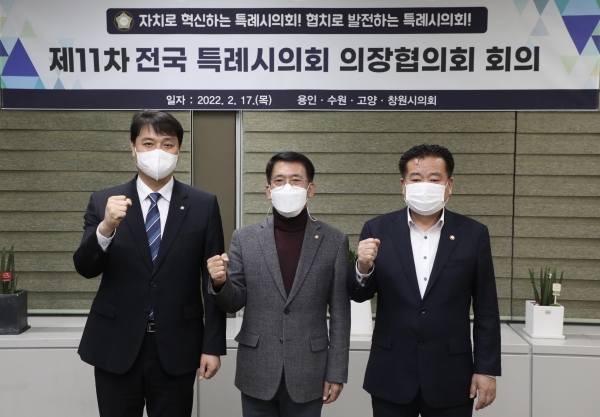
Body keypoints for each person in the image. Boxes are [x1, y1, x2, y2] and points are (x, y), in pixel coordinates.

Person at [73, 110, 226, 417]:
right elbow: (85, 268)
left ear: (179, 150)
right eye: (148, 143)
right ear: (133, 148)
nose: (158, 151)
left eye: (167, 144)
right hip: (115, 343)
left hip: (178, 345)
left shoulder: (203, 204)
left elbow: (213, 279)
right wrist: (106, 228)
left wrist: (212, 345)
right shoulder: (105, 202)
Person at [348, 144, 501, 417]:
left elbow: (486, 308)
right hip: (391, 372)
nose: (425, 186)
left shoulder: (473, 233)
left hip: (451, 375)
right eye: (416, 179)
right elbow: (359, 294)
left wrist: (486, 369)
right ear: (403, 185)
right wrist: (362, 266)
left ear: (449, 185)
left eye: (434, 179)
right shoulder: (377, 228)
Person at [207, 152, 350, 417]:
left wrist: (337, 372)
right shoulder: (245, 238)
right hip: (257, 366)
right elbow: (234, 302)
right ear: (268, 190)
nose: (287, 187)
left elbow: (341, 313)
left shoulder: (334, 240)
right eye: (279, 180)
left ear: (310, 189)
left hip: (309, 369)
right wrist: (220, 282)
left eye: (296, 180)